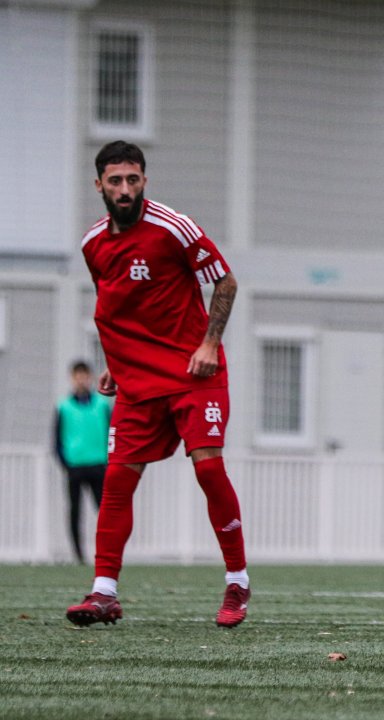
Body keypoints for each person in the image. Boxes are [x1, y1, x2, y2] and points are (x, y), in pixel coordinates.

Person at [65, 141, 250, 628]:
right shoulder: (92, 245)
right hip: (138, 382)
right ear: (99, 185)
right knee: (117, 482)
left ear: (144, 181)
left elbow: (225, 282)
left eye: (133, 179)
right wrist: (113, 361)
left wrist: (209, 344)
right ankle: (104, 592)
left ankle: (237, 582)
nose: (124, 189)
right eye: (115, 181)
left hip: (195, 373)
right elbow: (116, 306)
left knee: (209, 470)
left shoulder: (174, 227)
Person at [54, 360, 111, 564]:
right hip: (75, 467)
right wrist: (66, 463)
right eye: (77, 376)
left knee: (104, 512)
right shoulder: (64, 407)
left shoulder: (102, 405)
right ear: (72, 378)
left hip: (99, 465)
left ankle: (105, 554)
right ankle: (78, 555)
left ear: (90, 378)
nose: (81, 380)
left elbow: (112, 433)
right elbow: (57, 439)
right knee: (75, 511)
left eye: (84, 375)